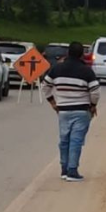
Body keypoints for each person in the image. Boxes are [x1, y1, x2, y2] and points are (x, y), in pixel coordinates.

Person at [40, 42, 99, 182]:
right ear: (81, 55)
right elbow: (95, 92)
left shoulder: (57, 69)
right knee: (76, 141)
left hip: (63, 110)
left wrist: (53, 103)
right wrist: (92, 105)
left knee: (64, 140)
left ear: (68, 54)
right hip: (81, 110)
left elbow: (45, 86)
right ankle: (73, 171)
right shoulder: (86, 71)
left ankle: (64, 170)